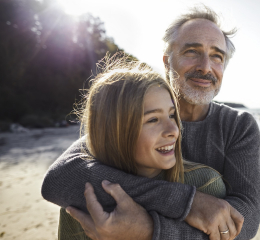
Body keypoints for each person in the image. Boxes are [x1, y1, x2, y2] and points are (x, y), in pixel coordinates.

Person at [42, 5, 260, 240]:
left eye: (217, 56)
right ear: (167, 62)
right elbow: (60, 178)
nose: (205, 66)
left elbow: (243, 222)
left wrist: (149, 231)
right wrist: (184, 201)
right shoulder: (132, 113)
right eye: (192, 52)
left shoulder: (239, 126)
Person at [56, 57, 237, 239]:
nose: (174, 130)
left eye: (172, 115)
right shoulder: (83, 197)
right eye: (153, 119)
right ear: (115, 131)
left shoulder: (206, 185)